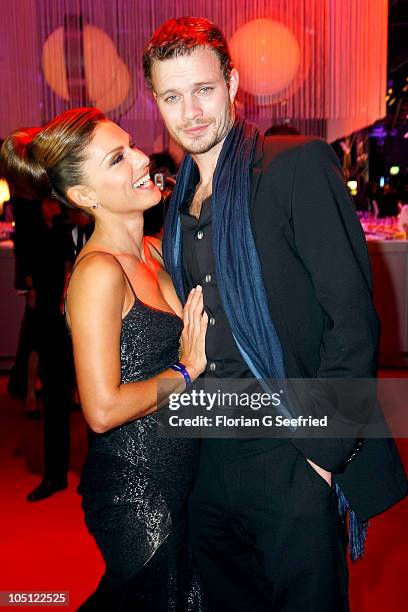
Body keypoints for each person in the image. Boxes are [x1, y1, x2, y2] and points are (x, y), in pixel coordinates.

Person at [143, 17, 408, 612]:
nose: (190, 112)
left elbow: (352, 320)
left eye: (204, 89)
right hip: (209, 459)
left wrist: (323, 453)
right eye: (171, 96)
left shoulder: (296, 167)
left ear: (233, 84)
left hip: (292, 452)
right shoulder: (177, 200)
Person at [0, 108, 208, 610]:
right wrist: (185, 371)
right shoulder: (97, 273)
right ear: (85, 197)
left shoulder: (157, 252)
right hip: (137, 493)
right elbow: (101, 409)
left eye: (131, 145)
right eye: (118, 158)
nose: (141, 158)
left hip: (188, 476)